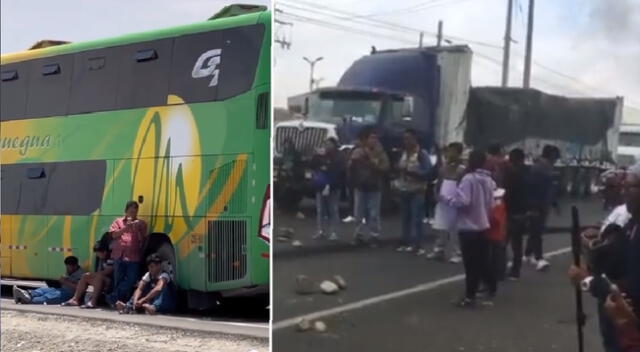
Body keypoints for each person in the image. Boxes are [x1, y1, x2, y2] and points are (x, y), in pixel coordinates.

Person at [443, 150, 496, 307]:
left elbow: (463, 201)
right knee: (482, 261)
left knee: (471, 264)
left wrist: (446, 199)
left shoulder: (469, 179)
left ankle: (470, 296)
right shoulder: (488, 179)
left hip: (468, 226)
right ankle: (491, 286)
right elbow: (492, 203)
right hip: (483, 224)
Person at [393, 129, 432, 255]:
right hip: (404, 190)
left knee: (416, 218)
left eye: (409, 138)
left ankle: (418, 245)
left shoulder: (422, 154)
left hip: (417, 190)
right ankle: (406, 242)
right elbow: (399, 169)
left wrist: (413, 173)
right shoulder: (403, 153)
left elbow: (428, 172)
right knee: (405, 218)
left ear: (415, 139)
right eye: (405, 139)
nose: (406, 141)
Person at [348, 128, 390, 246]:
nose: (374, 140)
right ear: (366, 139)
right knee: (358, 213)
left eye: (376, 138)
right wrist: (353, 163)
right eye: (372, 138)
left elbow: (386, 168)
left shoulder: (381, 153)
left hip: (374, 186)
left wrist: (372, 163)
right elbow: (350, 168)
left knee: (373, 213)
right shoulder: (358, 151)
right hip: (360, 186)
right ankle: (358, 235)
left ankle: (374, 235)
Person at [525, 145, 560, 271]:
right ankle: (539, 258)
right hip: (538, 205)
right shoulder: (539, 168)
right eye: (555, 156)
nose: (556, 160)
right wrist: (533, 206)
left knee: (536, 230)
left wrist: (554, 203)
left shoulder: (547, 167)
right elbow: (532, 189)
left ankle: (528, 253)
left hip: (544, 204)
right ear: (550, 156)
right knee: (537, 231)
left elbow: (550, 189)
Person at [428, 142, 465, 263]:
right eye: (448, 151)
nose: (449, 153)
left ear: (458, 153)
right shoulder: (444, 168)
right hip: (443, 200)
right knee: (441, 226)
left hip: (455, 201)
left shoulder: (462, 169)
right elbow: (439, 183)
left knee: (455, 229)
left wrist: (458, 200)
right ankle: (439, 250)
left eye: (452, 151)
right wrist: (436, 194)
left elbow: (463, 186)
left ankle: (457, 252)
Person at [106, 201, 148, 306]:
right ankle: (116, 302)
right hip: (119, 255)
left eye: (135, 211)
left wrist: (138, 227)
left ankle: (113, 297)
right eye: (131, 210)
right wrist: (126, 228)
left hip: (133, 256)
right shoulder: (118, 222)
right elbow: (114, 235)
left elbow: (144, 237)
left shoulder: (140, 223)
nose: (133, 213)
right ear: (126, 211)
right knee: (118, 279)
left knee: (132, 279)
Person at [61, 240, 114, 308]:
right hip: (103, 279)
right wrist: (90, 275)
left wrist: (92, 274)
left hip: (111, 280)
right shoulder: (101, 259)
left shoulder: (111, 258)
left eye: (98, 253)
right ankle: (75, 299)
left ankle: (93, 302)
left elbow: (107, 272)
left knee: (99, 277)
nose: (97, 255)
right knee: (85, 276)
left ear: (104, 252)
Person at [311, 137, 346, 241]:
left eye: (329, 144)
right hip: (321, 186)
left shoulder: (339, 156)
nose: (327, 146)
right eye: (325, 144)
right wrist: (316, 155)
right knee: (320, 210)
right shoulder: (321, 155)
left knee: (333, 209)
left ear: (334, 145)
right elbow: (313, 165)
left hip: (333, 186)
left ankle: (334, 232)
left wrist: (326, 164)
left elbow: (339, 170)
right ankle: (321, 231)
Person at [13, 256, 86, 305]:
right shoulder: (71, 271)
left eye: (69, 267)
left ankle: (26, 299)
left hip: (69, 294)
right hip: (61, 289)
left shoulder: (82, 274)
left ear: (75, 266)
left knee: (48, 297)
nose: (67, 269)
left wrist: (65, 281)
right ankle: (27, 294)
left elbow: (79, 287)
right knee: (44, 290)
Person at [504, 148, 529, 280]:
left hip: (511, 212)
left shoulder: (512, 174)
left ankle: (501, 269)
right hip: (523, 212)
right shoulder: (528, 172)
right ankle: (515, 271)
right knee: (517, 244)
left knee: (503, 241)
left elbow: (508, 194)